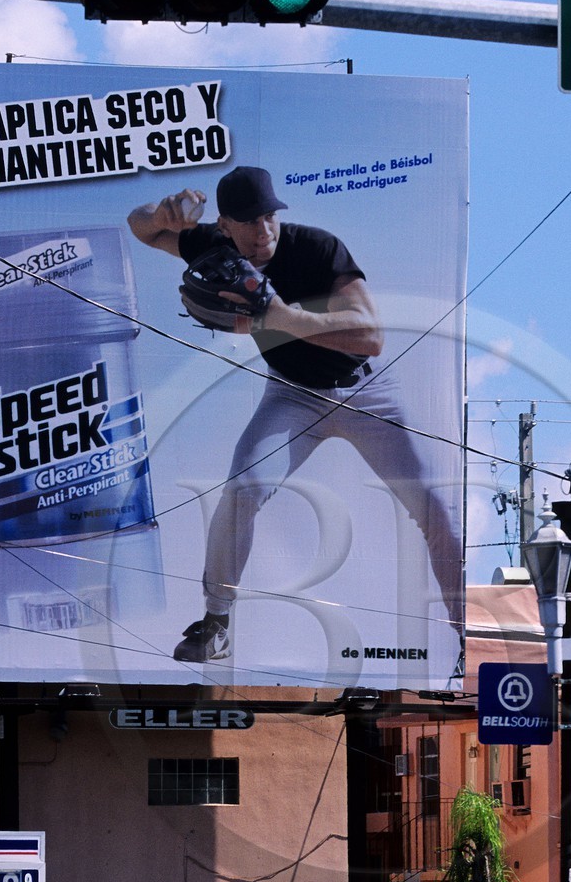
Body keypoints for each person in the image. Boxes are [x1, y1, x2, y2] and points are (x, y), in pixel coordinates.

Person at [126, 168, 463, 668]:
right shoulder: (213, 245)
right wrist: (162, 212)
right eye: (249, 221)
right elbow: (142, 228)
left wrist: (281, 319)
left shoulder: (318, 248)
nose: (263, 231)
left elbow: (370, 336)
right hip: (292, 394)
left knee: (437, 508)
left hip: (367, 391)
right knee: (242, 490)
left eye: (269, 217)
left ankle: (469, 643)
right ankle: (216, 625)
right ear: (225, 225)